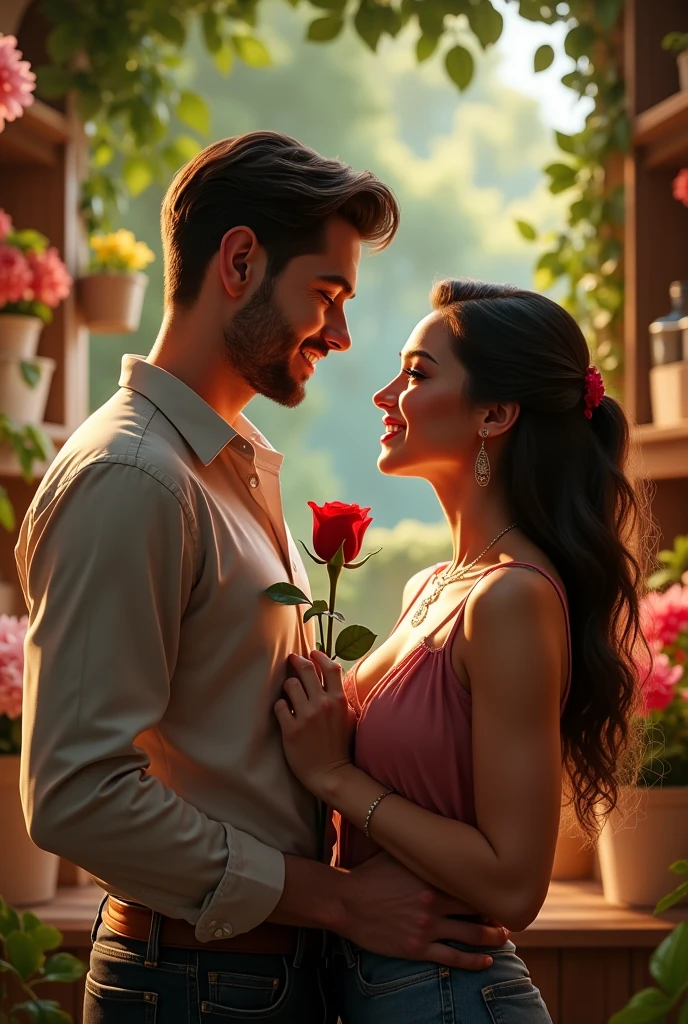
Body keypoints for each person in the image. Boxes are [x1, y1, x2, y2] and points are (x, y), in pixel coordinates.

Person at [16, 137, 505, 1024]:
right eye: (327, 295)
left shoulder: (223, 469)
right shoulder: (133, 477)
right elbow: (76, 798)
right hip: (195, 985)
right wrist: (337, 899)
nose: (344, 335)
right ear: (240, 262)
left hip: (255, 980)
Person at [277, 279, 648, 1023]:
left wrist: (335, 777)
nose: (387, 395)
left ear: (496, 414)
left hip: (452, 1000)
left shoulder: (511, 599)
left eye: (416, 374)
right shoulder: (432, 585)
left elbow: (515, 887)